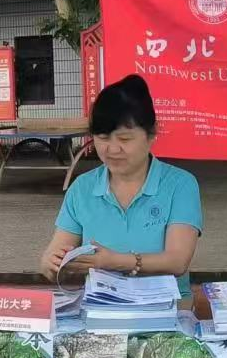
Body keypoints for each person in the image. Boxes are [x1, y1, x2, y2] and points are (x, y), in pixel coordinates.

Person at [39, 75, 202, 296]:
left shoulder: (180, 184)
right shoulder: (82, 188)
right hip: (100, 306)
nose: (113, 149)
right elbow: (55, 253)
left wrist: (116, 261)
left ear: (152, 133)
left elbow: (177, 261)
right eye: (103, 138)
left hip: (166, 307)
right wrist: (52, 263)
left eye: (124, 139)